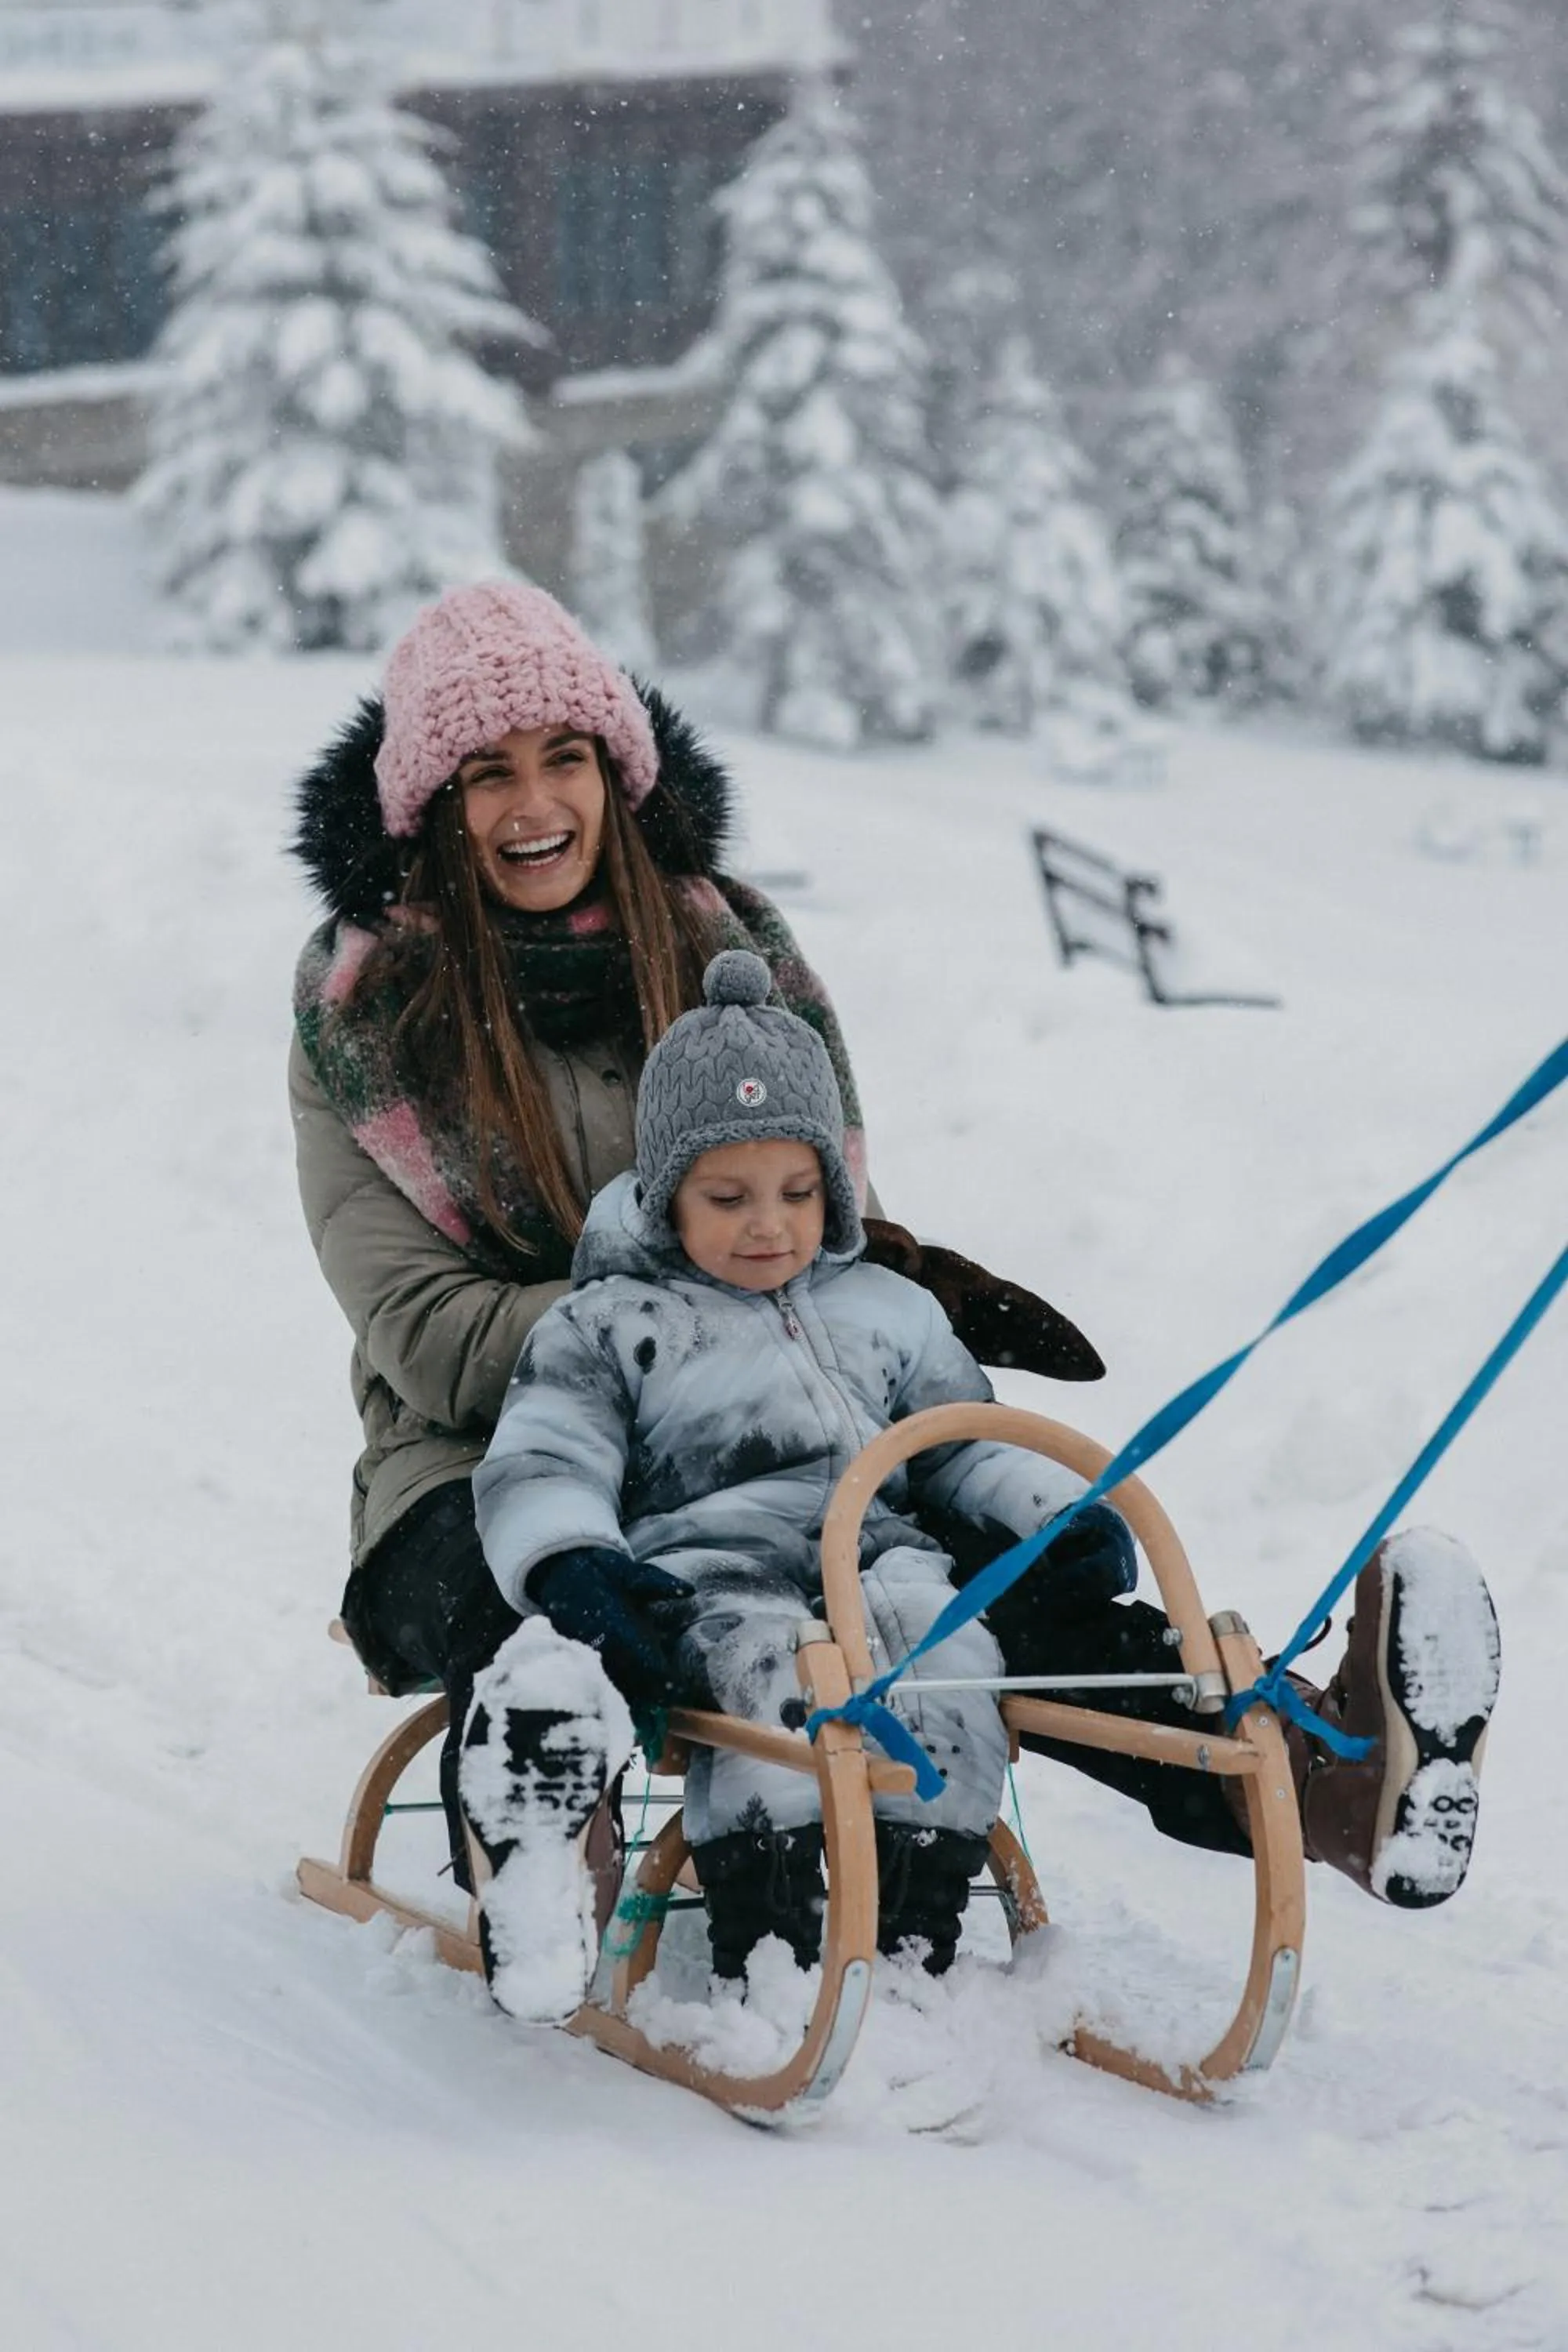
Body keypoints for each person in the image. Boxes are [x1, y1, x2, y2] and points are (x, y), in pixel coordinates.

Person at [289, 579, 1103, 1944]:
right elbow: (422, 1330)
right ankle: (539, 1860)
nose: (532, 802)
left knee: (994, 1560)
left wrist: (896, 1283)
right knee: (541, 1621)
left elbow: (805, 1217)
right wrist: (680, 1323)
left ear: (615, 774)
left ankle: (1294, 1760)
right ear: (435, 807)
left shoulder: (726, 942)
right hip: (479, 1455)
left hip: (771, 1449)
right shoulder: (365, 1008)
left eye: (564, 759)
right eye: (487, 774)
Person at [464, 947, 1105, 2016]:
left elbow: (958, 1439)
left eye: (799, 1192)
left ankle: (916, 1928)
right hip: (713, 1580)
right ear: (669, 1197)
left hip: (884, 1565)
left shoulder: (888, 1308)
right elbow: (543, 1452)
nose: (769, 1224)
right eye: (729, 1195)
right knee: (782, 1682)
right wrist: (575, 1559)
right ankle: (770, 1935)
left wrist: (1056, 1515)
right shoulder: (612, 1320)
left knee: (953, 1665)